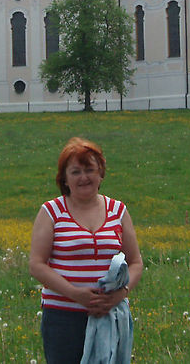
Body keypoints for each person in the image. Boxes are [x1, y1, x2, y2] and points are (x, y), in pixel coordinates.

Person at [30, 137, 143, 363]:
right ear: (64, 178)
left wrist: (120, 295)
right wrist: (75, 294)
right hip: (63, 317)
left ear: (100, 174)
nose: (84, 177)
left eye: (90, 169)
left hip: (111, 316)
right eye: (75, 172)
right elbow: (37, 265)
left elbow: (136, 262)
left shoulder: (118, 210)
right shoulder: (51, 212)